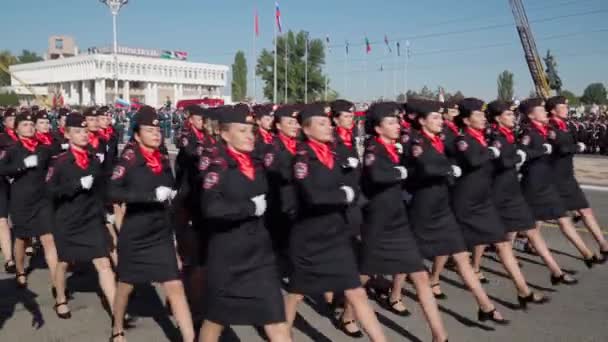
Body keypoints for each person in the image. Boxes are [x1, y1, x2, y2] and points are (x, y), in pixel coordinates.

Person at [284, 104, 387, 342]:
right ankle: (281, 334)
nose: (328, 126)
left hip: (336, 234)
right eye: (321, 123)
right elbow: (313, 195)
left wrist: (347, 191)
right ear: (307, 130)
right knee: (297, 293)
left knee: (356, 292)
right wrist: (345, 195)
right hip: (310, 237)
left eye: (328, 122)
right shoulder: (302, 158)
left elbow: (353, 182)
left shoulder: (334, 153)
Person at [404, 98, 508, 324]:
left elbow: (467, 154)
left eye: (441, 117)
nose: (440, 121)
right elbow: (427, 166)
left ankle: (485, 306)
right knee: (407, 262)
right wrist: (449, 169)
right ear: (422, 121)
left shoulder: (441, 140)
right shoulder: (416, 142)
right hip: (424, 208)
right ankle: (385, 296)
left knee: (461, 256)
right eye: (434, 118)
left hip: (443, 206)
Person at [198, 105, 291, 342]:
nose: (250, 136)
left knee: (277, 322)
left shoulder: (257, 164)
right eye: (242, 131)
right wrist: (249, 208)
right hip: (229, 255)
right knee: (216, 320)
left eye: (251, 131)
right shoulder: (217, 166)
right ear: (225, 134)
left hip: (260, 256)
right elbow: (211, 208)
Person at [358, 102, 448, 342]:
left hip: (398, 219)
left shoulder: (394, 148)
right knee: (364, 276)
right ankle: (347, 312)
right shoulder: (372, 149)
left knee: (419, 274)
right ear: (377, 128)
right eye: (390, 122)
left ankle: (439, 336)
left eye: (397, 122)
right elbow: (377, 175)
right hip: (378, 221)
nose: (397, 126)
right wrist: (400, 173)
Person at [450, 98, 547, 307]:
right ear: (466, 120)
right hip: (466, 203)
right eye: (478, 115)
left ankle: (523, 291)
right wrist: (492, 153)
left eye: (484, 115)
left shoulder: (484, 137)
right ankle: (431, 281)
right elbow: (474, 160)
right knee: (452, 251)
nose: (483, 118)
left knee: (502, 243)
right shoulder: (463, 139)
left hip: (484, 201)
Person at [108, 106, 193, 342]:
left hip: (160, 233)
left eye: (158, 129)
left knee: (174, 285)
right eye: (149, 129)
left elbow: (170, 191)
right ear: (136, 134)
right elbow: (112, 190)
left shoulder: (163, 157)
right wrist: (149, 195)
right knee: (126, 286)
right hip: (136, 232)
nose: (156, 133)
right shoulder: (129, 158)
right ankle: (117, 327)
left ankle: (189, 338)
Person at [486, 100, 577, 286]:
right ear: (497, 118)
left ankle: (555, 272)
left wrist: (523, 155)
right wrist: (521, 156)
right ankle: (472, 268)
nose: (513, 117)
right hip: (499, 193)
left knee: (530, 232)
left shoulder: (509, 135)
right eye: (508, 114)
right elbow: (502, 162)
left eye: (513, 114)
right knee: (489, 240)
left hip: (513, 191)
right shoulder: (496, 138)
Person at [517, 98, 600, 278]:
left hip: (547, 183)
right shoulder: (529, 132)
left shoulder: (547, 130)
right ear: (531, 114)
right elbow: (521, 155)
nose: (545, 112)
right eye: (541, 110)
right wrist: (544, 151)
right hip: (533, 185)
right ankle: (495, 255)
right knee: (515, 229)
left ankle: (587, 254)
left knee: (562, 219)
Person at [46, 113, 117, 319]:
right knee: (64, 262)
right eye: (77, 131)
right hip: (68, 220)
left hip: (91, 219)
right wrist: (76, 186)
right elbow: (50, 191)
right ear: (67, 134)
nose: (84, 135)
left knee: (103, 263)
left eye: (85, 131)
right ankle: (60, 297)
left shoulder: (94, 159)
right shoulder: (59, 161)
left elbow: (102, 187)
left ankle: (116, 313)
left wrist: (107, 210)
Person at [0, 111, 59, 291]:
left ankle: (57, 282)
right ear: (16, 129)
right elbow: (2, 169)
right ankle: (19, 270)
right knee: (22, 239)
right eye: (25, 125)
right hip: (21, 200)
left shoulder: (43, 148)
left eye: (32, 125)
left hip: (43, 199)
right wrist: (22, 166)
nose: (30, 128)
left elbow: (54, 169)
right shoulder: (12, 150)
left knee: (48, 238)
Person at [545, 96, 608, 260]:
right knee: (540, 219)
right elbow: (561, 147)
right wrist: (576, 147)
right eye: (563, 106)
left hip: (568, 176)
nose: (567, 109)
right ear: (553, 110)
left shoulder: (564, 126)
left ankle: (603, 244)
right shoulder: (550, 127)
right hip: (554, 178)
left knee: (586, 210)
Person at [0, 108, 18, 273]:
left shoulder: (26, 138)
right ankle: (9, 259)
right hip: (3, 182)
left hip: (17, 183)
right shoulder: (2, 138)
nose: (13, 121)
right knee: (2, 220)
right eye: (10, 118)